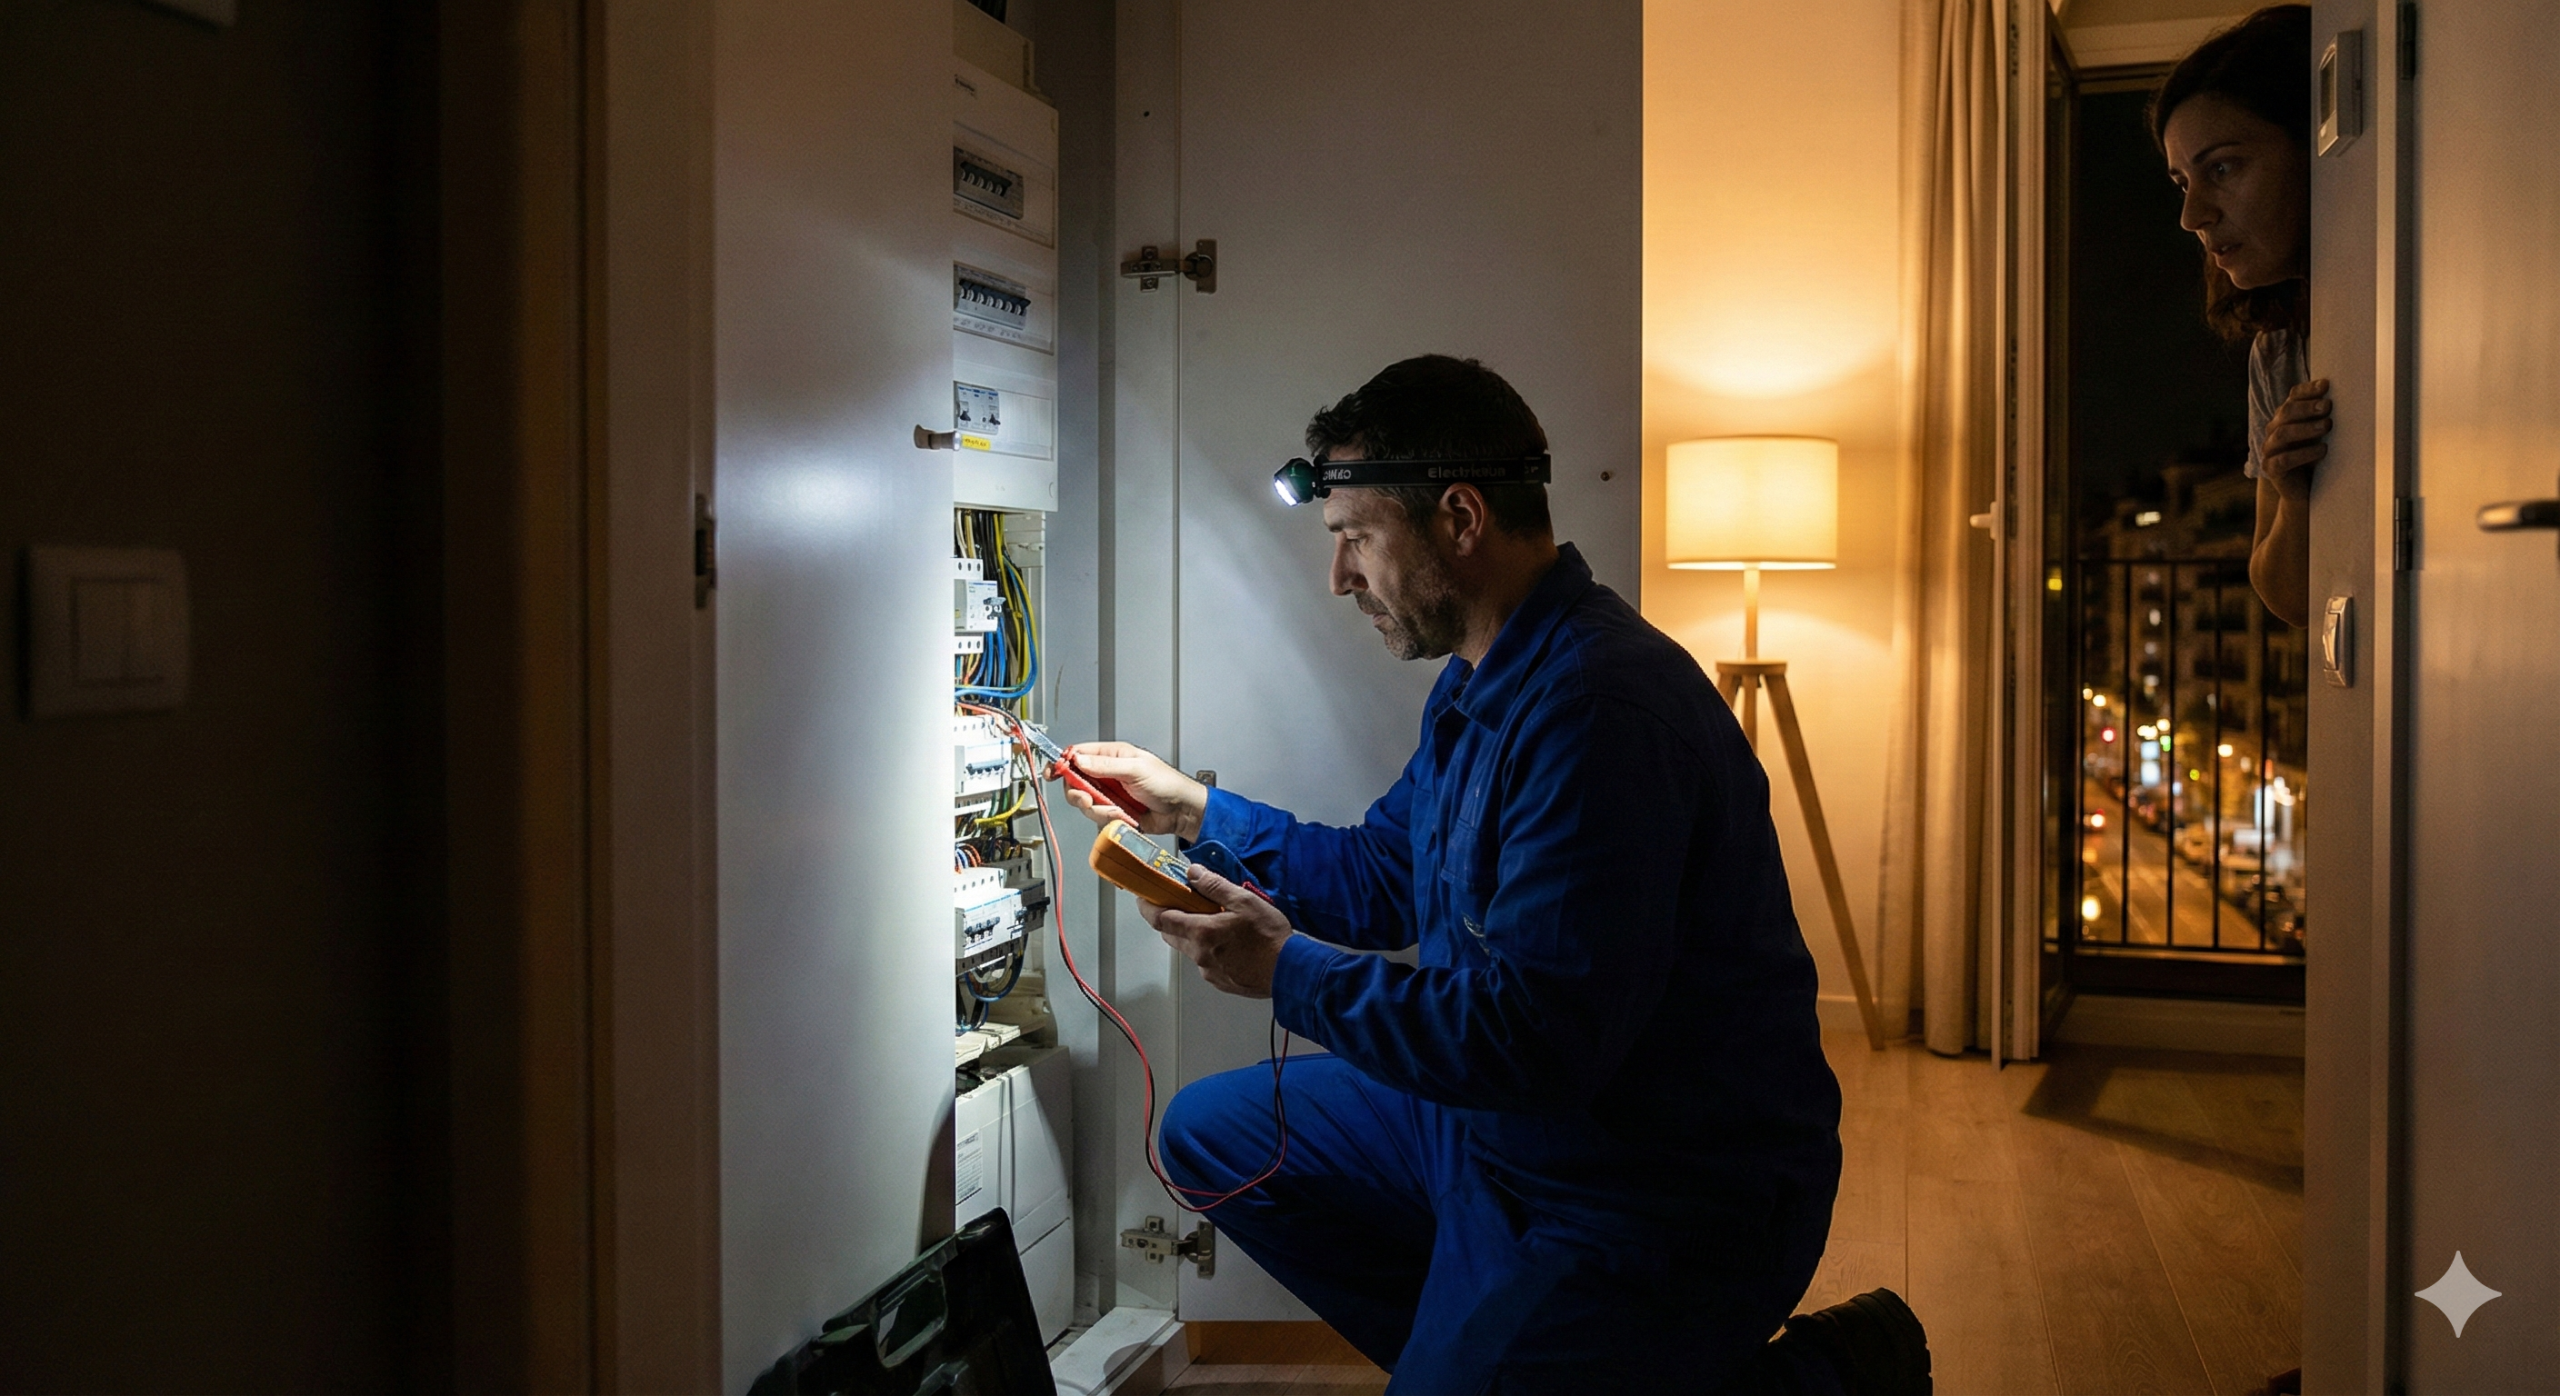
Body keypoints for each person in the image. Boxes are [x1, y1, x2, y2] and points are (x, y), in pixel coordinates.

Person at [1061, 356, 1922, 1392]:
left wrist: (1286, 972)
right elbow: (1385, 875)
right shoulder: (1483, 677)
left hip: (1652, 1189)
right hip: (1500, 1131)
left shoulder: (1599, 713)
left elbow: (1534, 1041)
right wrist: (1194, 814)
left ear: (1460, 518)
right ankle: (1502, 1349)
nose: (1338, 578)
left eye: (1355, 538)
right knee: (1212, 1137)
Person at [2154, 4, 2324, 628]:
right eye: (2182, 182)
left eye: (2221, 168)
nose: (2191, 215)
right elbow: (2288, 600)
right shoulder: (2277, 353)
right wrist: (2294, 496)